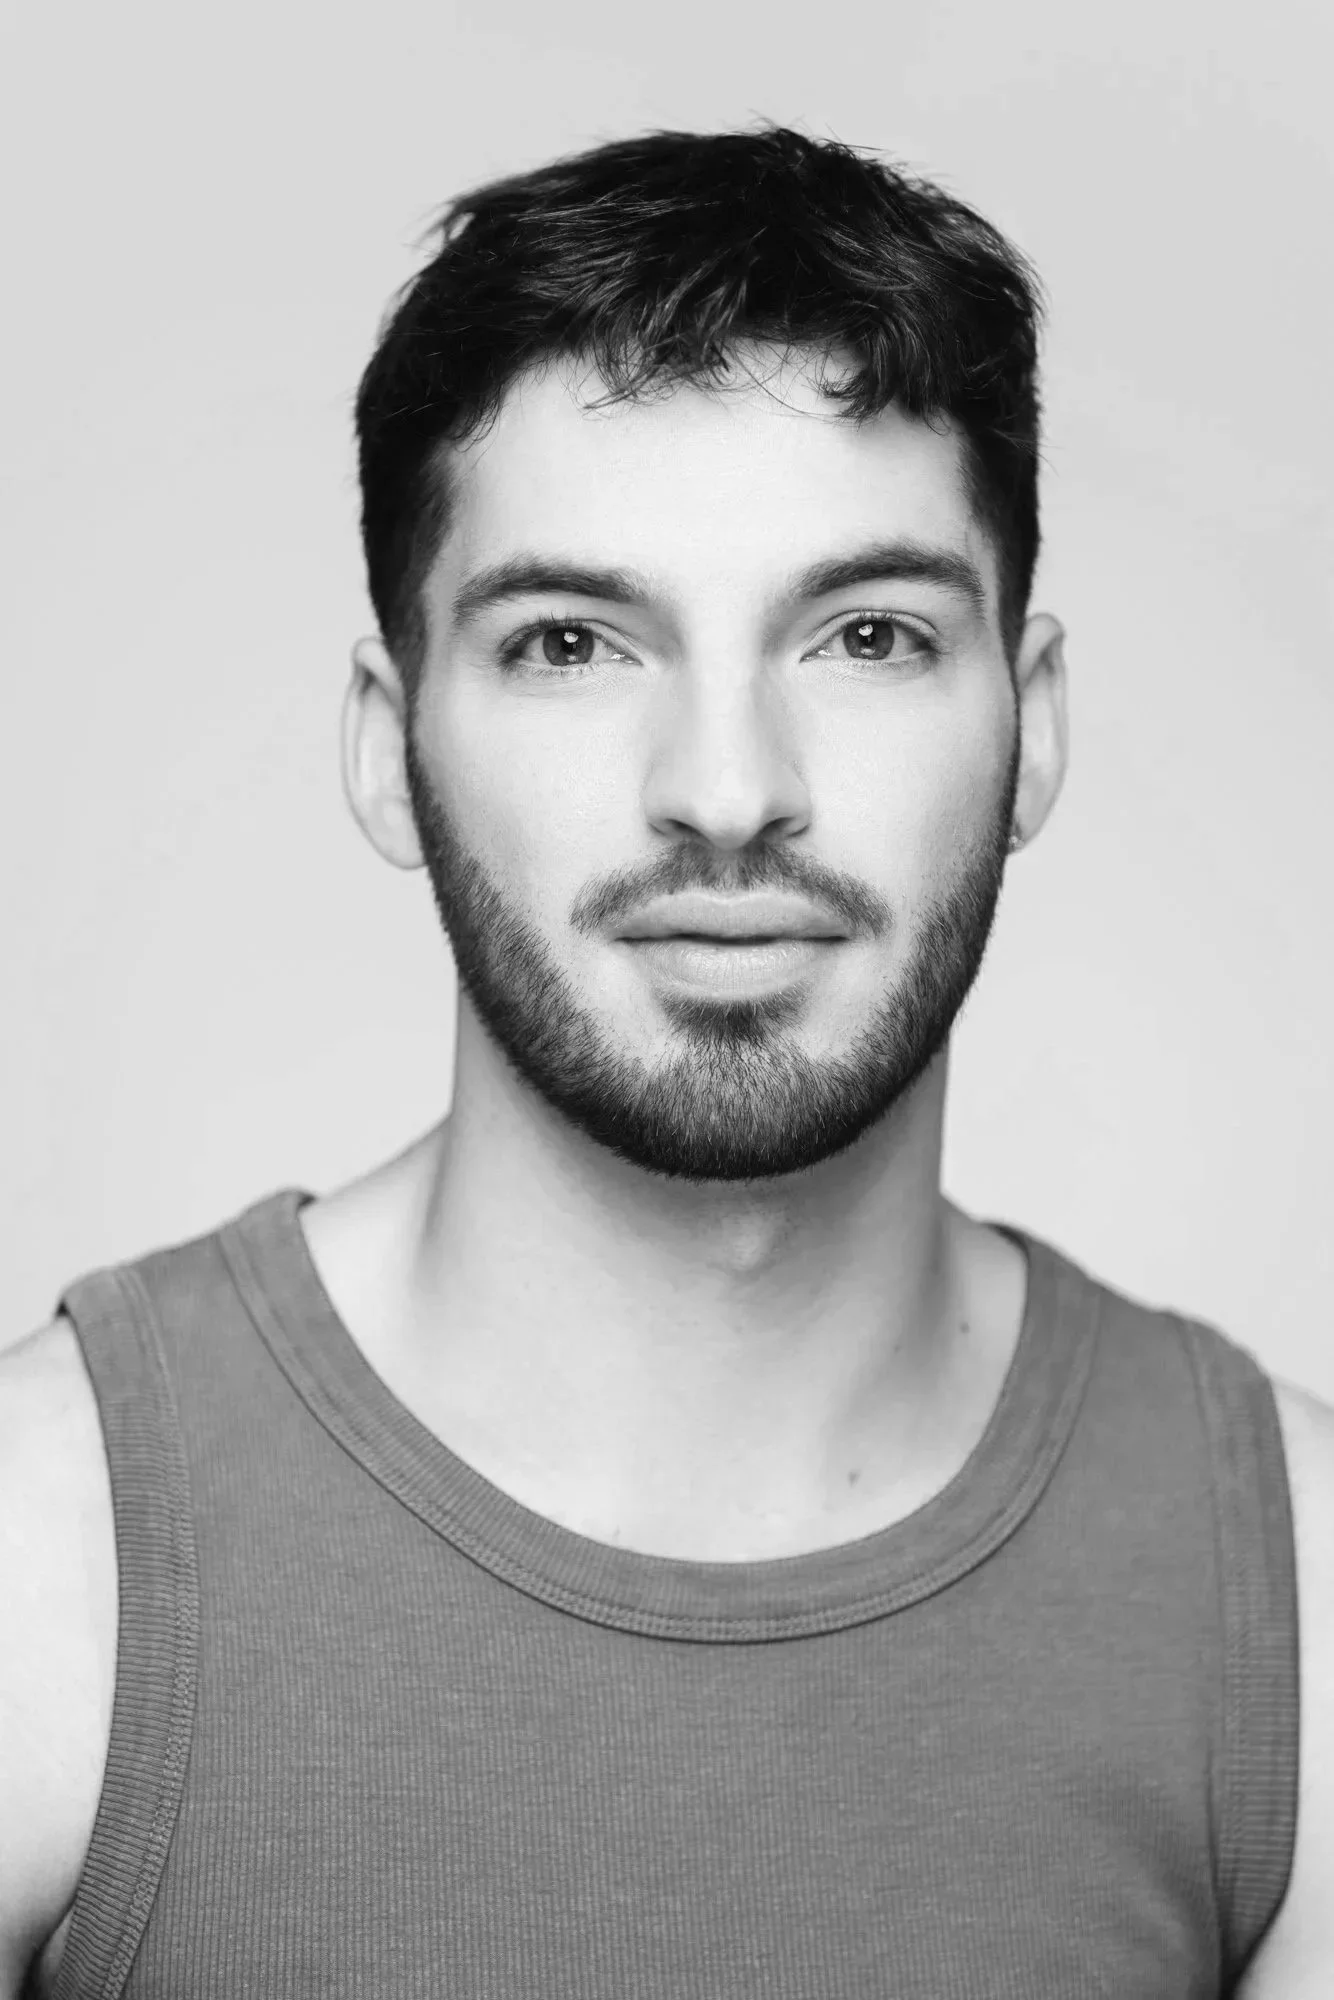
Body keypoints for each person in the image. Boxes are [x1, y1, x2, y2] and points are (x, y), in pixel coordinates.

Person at [2, 124, 1330, 2000]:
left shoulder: (1300, 1595)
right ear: (390, 745)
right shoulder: (38, 1572)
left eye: (866, 635)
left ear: (1027, 731)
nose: (725, 790)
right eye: (569, 642)